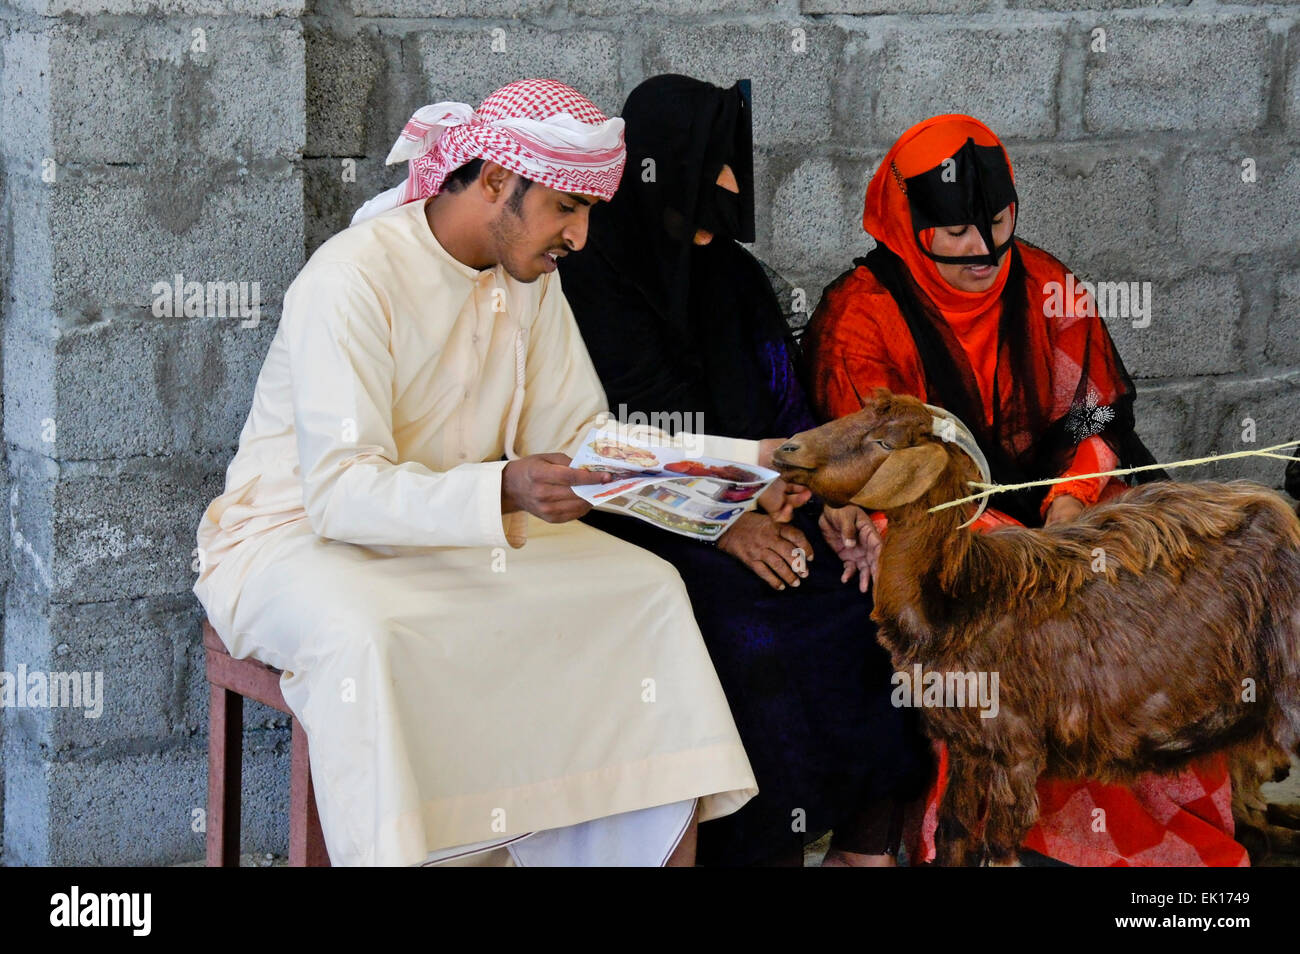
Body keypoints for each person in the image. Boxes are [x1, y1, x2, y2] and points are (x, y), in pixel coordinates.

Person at [192, 79, 796, 866]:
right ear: (497, 182)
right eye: (566, 210)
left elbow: (583, 437)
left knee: (645, 591)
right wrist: (504, 487)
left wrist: (756, 461)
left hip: (463, 528)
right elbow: (339, 494)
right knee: (376, 637)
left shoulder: (530, 280)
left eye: (588, 213)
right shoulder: (350, 280)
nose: (580, 238)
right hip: (295, 539)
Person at [802, 113, 1248, 866]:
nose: (985, 251)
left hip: (1059, 509)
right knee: (1009, 641)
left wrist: (1070, 506)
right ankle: (1016, 837)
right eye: (956, 233)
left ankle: (1148, 834)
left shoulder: (1046, 285)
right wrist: (1006, 550)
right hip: (938, 521)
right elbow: (883, 468)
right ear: (907, 225)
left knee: (1151, 613)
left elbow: (1095, 418)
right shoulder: (862, 317)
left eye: (999, 222)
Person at [558, 74, 932, 867]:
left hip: (766, 502)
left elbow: (785, 401)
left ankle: (864, 849)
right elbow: (618, 439)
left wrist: (830, 497)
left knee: (874, 612)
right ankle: (762, 852)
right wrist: (726, 523)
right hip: (640, 522)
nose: (724, 195)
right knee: (751, 638)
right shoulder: (588, 279)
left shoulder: (729, 273)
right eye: (709, 172)